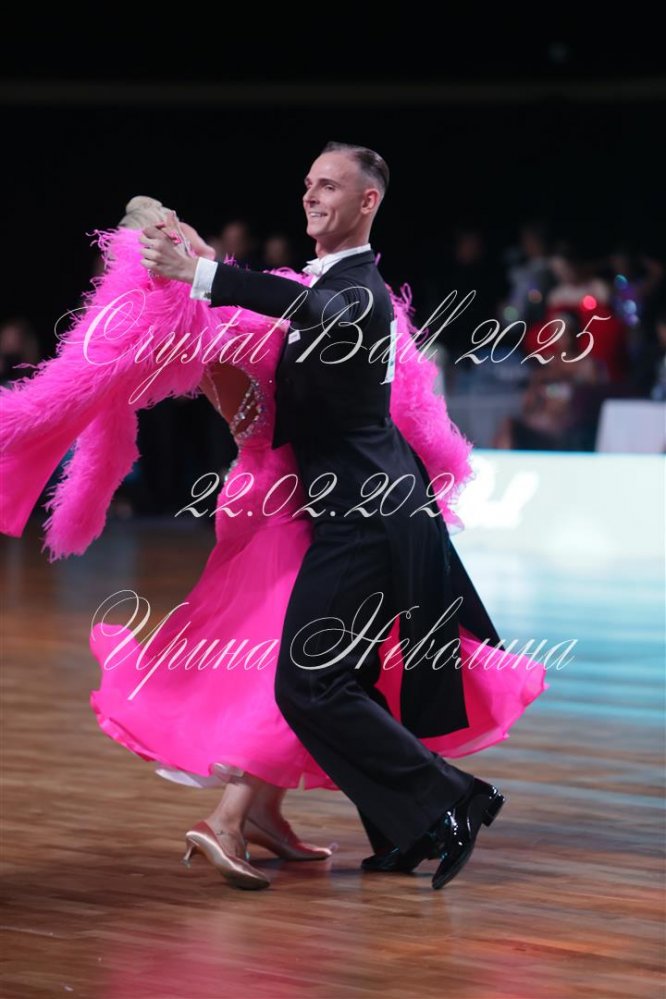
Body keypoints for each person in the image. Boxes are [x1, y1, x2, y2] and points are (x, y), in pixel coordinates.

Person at [139, 142, 547, 891]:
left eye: (329, 185)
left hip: (370, 516)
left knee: (308, 686)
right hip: (365, 509)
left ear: (368, 201)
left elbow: (313, 308)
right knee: (348, 680)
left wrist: (204, 275)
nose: (311, 195)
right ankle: (404, 829)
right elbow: (280, 307)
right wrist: (199, 262)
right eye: (307, 184)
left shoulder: (359, 292)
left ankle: (453, 799)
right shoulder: (326, 283)